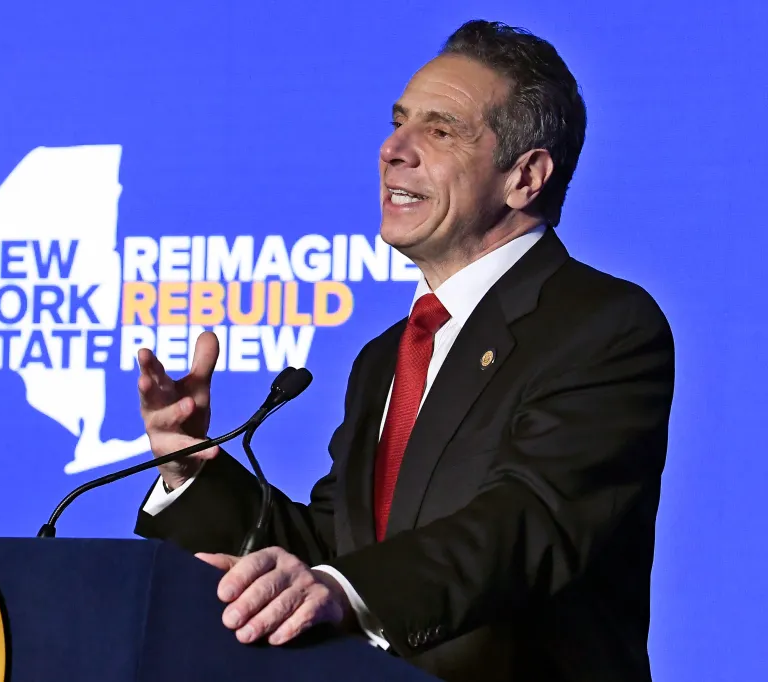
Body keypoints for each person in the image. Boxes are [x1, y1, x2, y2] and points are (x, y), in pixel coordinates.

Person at [133, 19, 674, 682]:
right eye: (398, 123)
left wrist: (344, 590)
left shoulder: (601, 325)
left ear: (526, 176)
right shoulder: (385, 357)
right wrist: (191, 470)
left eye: (441, 130)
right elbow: (333, 551)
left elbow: (528, 522)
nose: (393, 149)